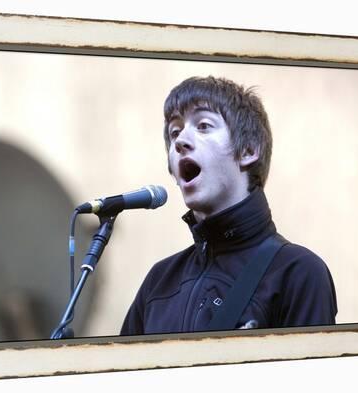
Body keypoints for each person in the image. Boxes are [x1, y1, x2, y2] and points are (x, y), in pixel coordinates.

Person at [120, 76, 337, 335]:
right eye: (174, 132)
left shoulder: (297, 272)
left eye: (203, 125)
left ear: (247, 150)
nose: (180, 141)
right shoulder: (159, 282)